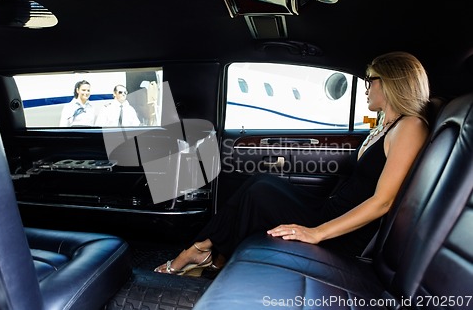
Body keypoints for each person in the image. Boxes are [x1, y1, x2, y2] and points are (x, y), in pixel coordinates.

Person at [154, 51, 430, 276]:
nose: (367, 87)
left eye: (371, 79)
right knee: (262, 181)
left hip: (344, 229)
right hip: (332, 207)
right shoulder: (387, 125)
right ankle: (210, 254)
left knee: (260, 192)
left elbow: (383, 201)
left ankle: (199, 251)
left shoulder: (411, 126)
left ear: (391, 81)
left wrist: (317, 233)